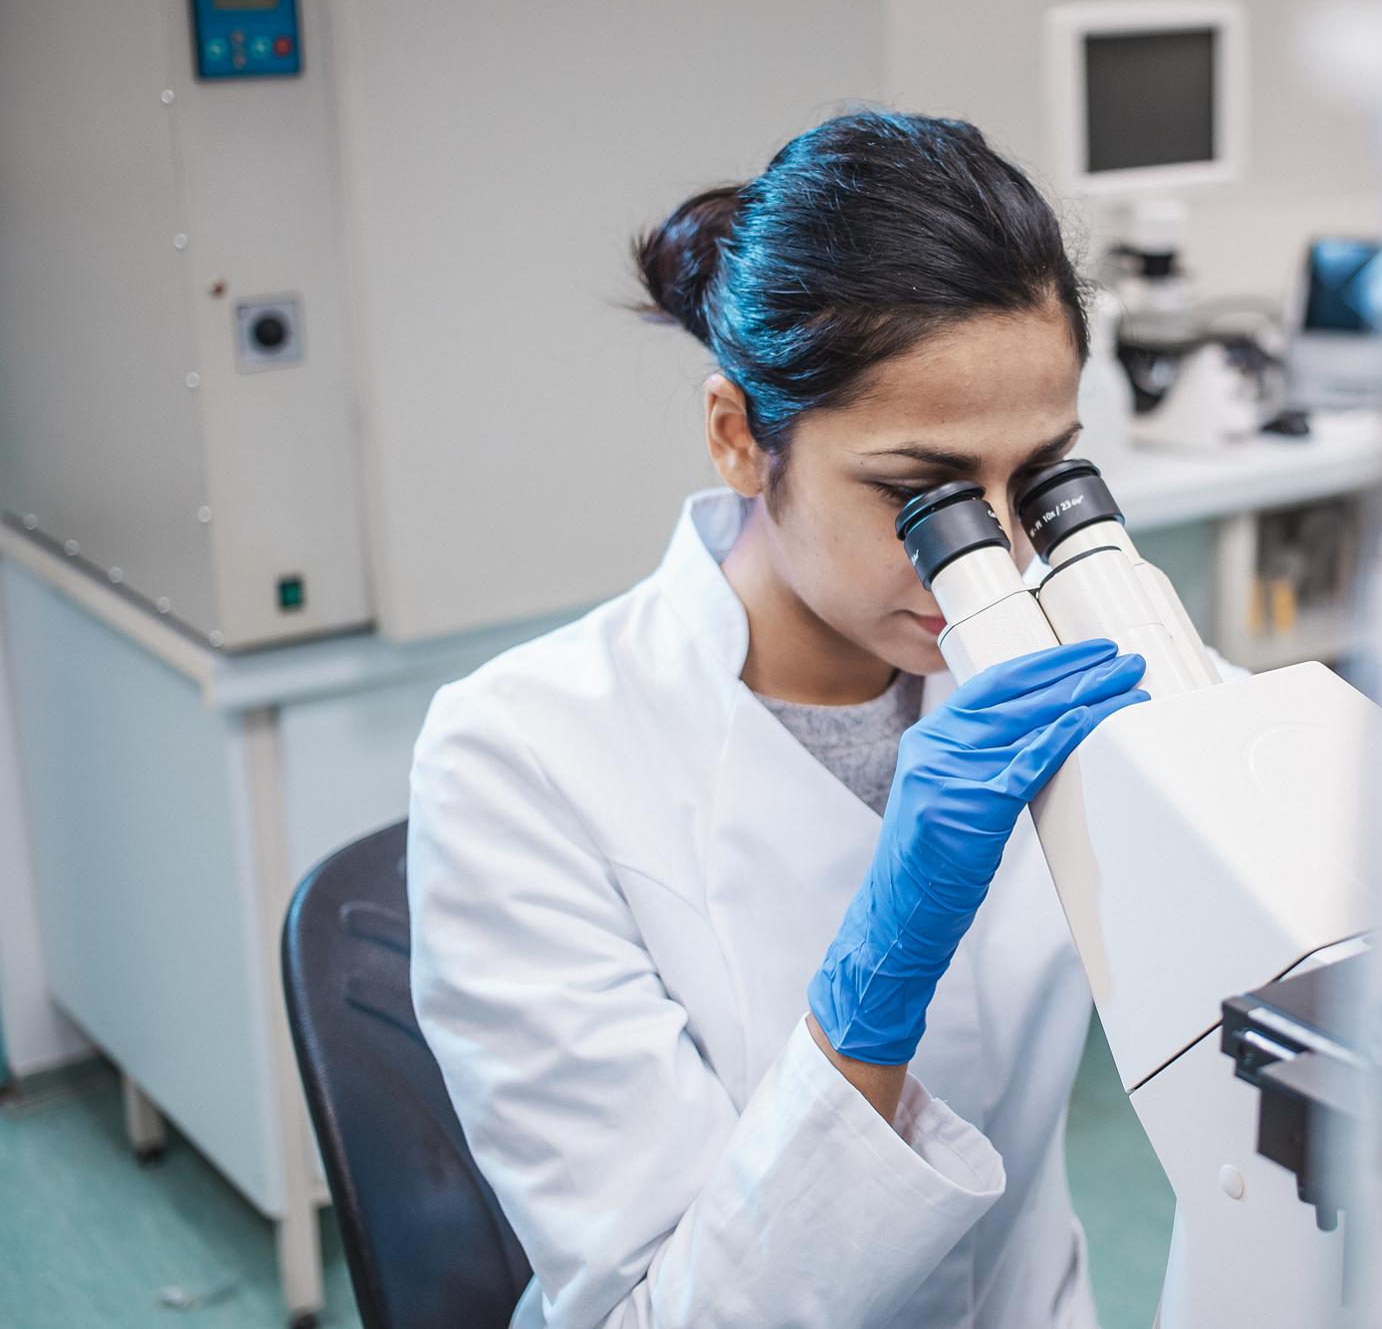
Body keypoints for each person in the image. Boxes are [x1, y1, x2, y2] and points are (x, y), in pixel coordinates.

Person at [407, 112, 1152, 1329]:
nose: (997, 554)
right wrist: (872, 986)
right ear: (739, 438)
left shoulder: (1052, 656)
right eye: (923, 495)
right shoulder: (519, 760)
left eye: (1039, 478)